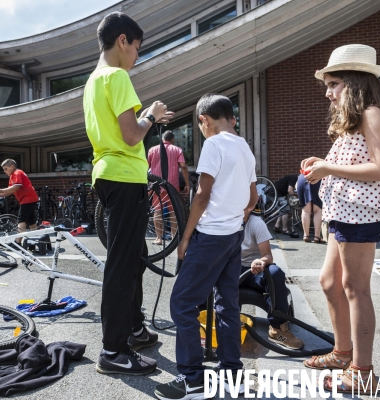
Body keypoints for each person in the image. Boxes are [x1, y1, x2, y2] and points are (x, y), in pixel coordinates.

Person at [301, 44, 380, 394]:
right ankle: (342, 352)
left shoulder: (371, 113)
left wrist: (327, 167)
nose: (328, 93)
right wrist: (323, 164)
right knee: (330, 282)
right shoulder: (357, 116)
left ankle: (361, 371)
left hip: (359, 213)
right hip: (345, 211)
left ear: (355, 82)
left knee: (355, 289)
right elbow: (357, 160)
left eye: (334, 84)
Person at [83, 12, 174, 376]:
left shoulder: (92, 81)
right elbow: (132, 135)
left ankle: (134, 329)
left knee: (134, 257)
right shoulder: (117, 76)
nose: (137, 56)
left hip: (107, 175)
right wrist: (150, 115)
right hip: (124, 177)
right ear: (123, 41)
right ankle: (113, 350)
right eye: (137, 48)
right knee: (123, 265)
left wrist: (145, 120)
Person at [154, 94, 258, 400]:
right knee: (228, 305)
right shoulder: (245, 148)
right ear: (232, 118)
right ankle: (232, 376)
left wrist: (185, 238)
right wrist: (236, 216)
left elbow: (201, 195)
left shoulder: (214, 144)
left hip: (209, 236)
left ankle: (193, 380)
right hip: (232, 237)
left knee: (182, 304)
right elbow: (252, 200)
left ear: (204, 120)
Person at [240, 211, 304, 349]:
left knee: (275, 273)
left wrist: (260, 261)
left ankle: (278, 329)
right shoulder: (224, 220)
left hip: (254, 271)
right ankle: (205, 322)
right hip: (231, 270)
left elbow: (268, 255)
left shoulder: (256, 223)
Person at [147, 130, 190, 245]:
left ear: (162, 139)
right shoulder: (177, 150)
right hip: (172, 186)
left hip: (156, 185)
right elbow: (183, 166)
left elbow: (146, 167)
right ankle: (173, 237)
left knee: (158, 210)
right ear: (172, 140)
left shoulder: (152, 150)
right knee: (173, 211)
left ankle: (159, 238)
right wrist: (187, 183)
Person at [0, 159, 39, 246]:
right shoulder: (12, 176)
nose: (4, 171)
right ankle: (36, 239)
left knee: (21, 220)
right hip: (29, 198)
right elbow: (11, 190)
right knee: (31, 220)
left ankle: (17, 243)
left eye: (6, 169)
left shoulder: (17, 173)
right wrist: (0, 195)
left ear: (12, 167)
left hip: (27, 199)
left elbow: (16, 187)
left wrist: (1, 190)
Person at [296, 173, 324, 243]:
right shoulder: (320, 162)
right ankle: (317, 236)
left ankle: (306, 235)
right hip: (317, 177)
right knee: (318, 210)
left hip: (302, 178)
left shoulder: (305, 162)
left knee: (305, 211)